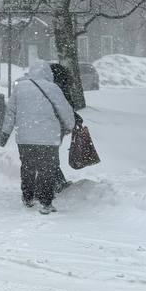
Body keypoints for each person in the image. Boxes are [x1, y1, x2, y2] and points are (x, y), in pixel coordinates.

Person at [0, 60, 76, 213]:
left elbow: (10, 113)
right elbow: (65, 110)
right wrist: (70, 125)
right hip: (48, 139)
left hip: (25, 138)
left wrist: (5, 133)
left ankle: (28, 197)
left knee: (28, 167)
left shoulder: (19, 88)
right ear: (48, 73)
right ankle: (46, 202)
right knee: (48, 169)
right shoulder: (53, 88)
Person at [48, 63, 83, 194]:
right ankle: (57, 182)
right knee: (51, 155)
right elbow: (68, 107)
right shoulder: (61, 88)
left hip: (49, 125)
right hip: (58, 126)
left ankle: (55, 182)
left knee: (48, 155)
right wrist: (73, 119)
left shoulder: (50, 88)